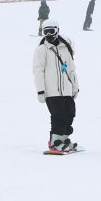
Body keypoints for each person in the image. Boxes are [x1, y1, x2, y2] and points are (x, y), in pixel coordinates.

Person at [33, 19, 79, 154]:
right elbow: (38, 70)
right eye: (45, 32)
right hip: (51, 91)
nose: (48, 35)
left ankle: (64, 139)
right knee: (58, 115)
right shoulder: (42, 50)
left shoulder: (65, 49)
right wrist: (40, 90)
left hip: (66, 90)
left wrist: (75, 87)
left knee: (69, 114)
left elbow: (71, 69)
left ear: (57, 31)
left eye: (51, 31)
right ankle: (55, 142)